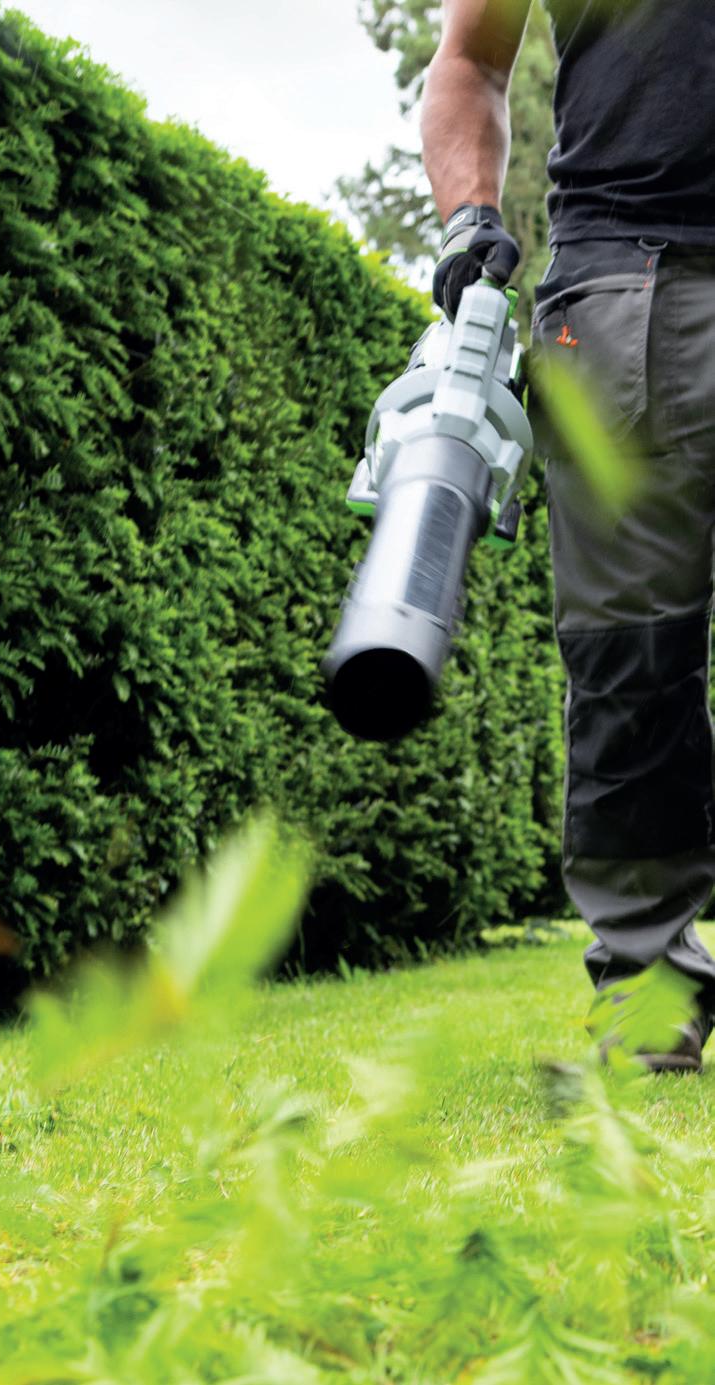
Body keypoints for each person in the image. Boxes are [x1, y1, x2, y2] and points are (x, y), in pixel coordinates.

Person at [420, 0, 715, 1071]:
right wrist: (468, 220)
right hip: (624, 286)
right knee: (630, 659)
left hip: (625, 293)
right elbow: (469, 59)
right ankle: (646, 993)